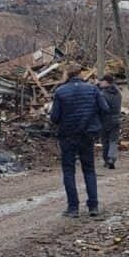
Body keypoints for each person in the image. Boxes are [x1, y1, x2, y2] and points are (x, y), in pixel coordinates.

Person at [50, 64, 110, 217]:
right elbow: (105, 108)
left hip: (68, 135)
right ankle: (93, 206)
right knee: (89, 170)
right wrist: (95, 123)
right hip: (87, 135)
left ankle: (73, 208)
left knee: (69, 171)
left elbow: (54, 117)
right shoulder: (92, 89)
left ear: (67, 74)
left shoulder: (60, 91)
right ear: (81, 74)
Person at [98, 74, 123, 169]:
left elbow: (102, 108)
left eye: (102, 81)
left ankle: (106, 159)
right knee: (113, 140)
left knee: (105, 141)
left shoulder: (102, 94)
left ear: (106, 82)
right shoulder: (117, 92)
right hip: (116, 119)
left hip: (105, 119)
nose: (100, 82)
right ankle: (111, 158)